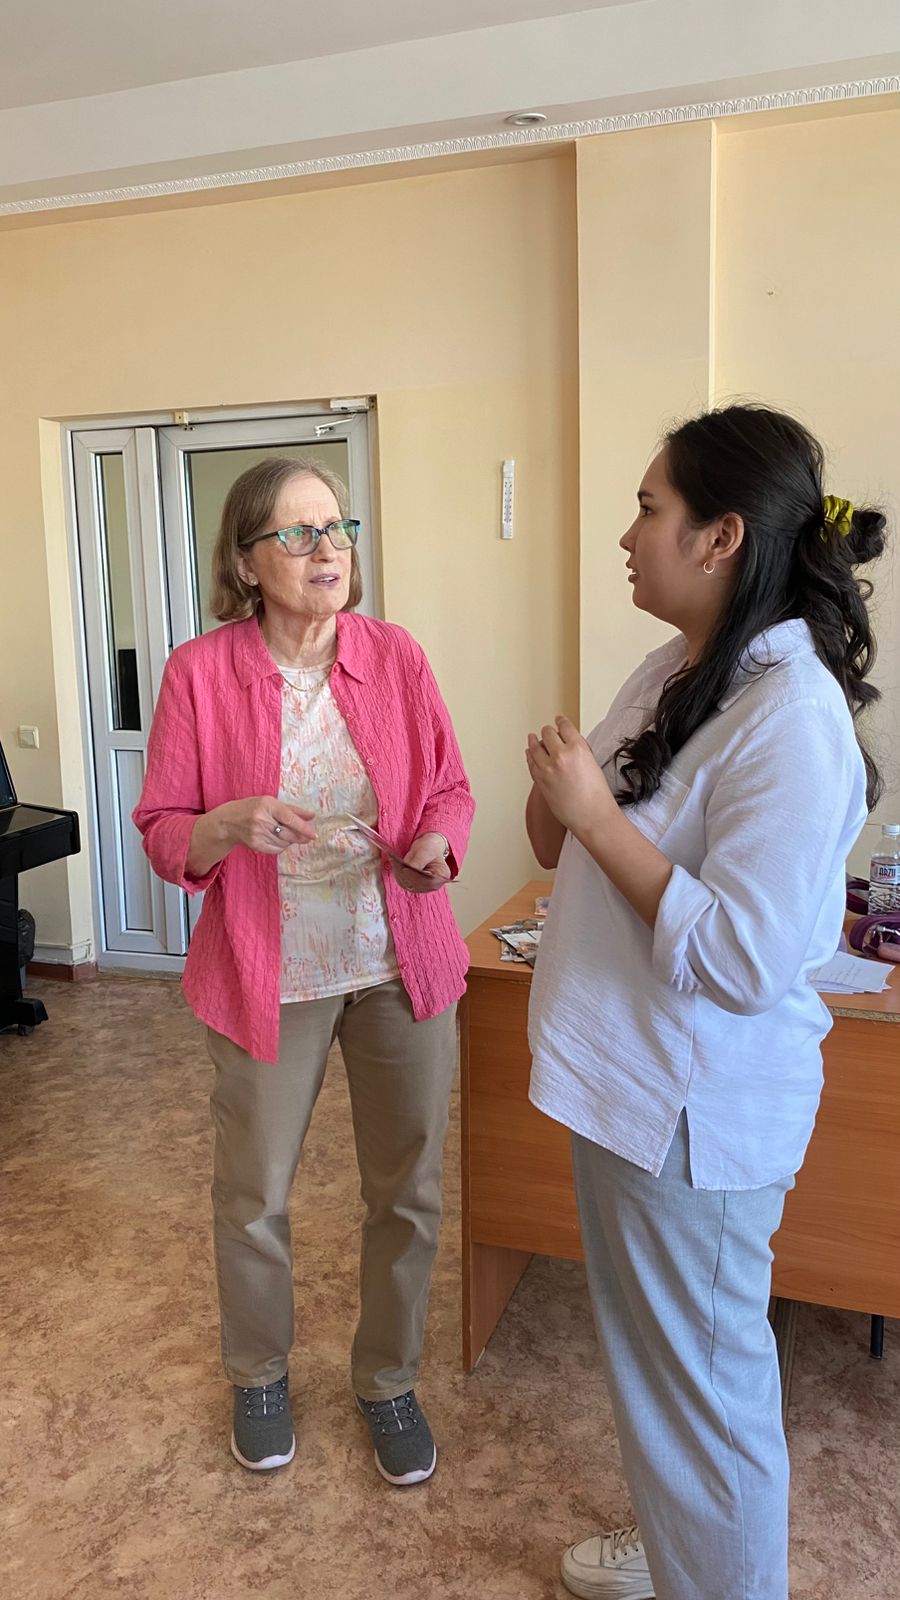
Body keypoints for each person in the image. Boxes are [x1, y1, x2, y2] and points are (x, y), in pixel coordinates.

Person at [524, 405, 886, 1600]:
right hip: (631, 1092)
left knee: (708, 1398)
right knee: (662, 1377)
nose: (629, 534)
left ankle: (718, 1567)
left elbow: (741, 954)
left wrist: (590, 817)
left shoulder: (795, 717)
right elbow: (585, 825)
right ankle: (681, 1542)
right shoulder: (680, 665)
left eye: (648, 508)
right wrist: (562, 805)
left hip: (696, 1119)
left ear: (721, 536)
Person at [133, 455, 473, 1485]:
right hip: (265, 971)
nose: (328, 549)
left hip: (396, 961)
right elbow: (163, 827)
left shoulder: (395, 655)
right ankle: (259, 1374)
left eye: (337, 527)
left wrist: (439, 846)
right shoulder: (201, 673)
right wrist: (224, 824)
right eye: (298, 533)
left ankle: (388, 1379)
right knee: (254, 1193)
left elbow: (449, 790)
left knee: (408, 1191)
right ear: (248, 562)